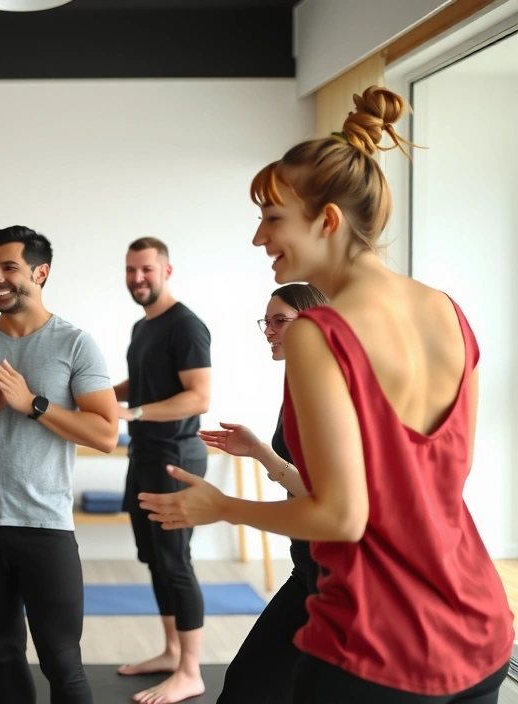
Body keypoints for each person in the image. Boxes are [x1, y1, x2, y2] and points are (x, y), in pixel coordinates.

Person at [137, 87, 514, 703]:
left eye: (273, 218)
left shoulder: (320, 333)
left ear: (329, 221)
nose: (260, 237)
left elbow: (341, 516)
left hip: (379, 642)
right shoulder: (447, 311)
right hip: (480, 624)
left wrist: (223, 508)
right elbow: (445, 479)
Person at [0, 226, 119, 704]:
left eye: (9, 268)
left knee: (62, 663)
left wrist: (34, 404)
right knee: (2, 653)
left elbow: (106, 433)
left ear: (40, 273)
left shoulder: (74, 344)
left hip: (45, 527)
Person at [196, 283, 327, 704]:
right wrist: (258, 450)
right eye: (266, 322)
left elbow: (323, 495)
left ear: (314, 322)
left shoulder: (328, 391)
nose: (269, 331)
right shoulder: (297, 383)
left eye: (280, 321)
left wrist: (227, 506)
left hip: (337, 579)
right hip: (306, 570)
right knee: (245, 685)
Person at [113, 237, 212, 704]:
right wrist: (96, 397)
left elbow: (198, 397)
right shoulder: (142, 327)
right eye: (132, 270)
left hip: (176, 458)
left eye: (146, 270)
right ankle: (172, 651)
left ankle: (191, 671)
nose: (138, 278)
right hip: (146, 456)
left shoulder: (186, 326)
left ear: (166, 271)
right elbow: (141, 383)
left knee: (175, 563)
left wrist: (132, 414)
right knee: (154, 558)